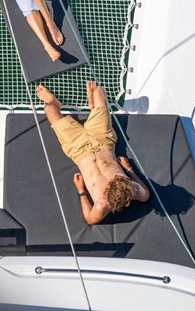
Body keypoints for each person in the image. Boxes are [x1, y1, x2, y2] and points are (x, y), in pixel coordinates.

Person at [37, 82, 150, 224]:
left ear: (106, 194)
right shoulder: (133, 189)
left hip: (78, 148)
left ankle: (55, 102)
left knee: (49, 108)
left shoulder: (102, 205)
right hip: (103, 140)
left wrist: (81, 190)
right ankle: (92, 106)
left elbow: (90, 219)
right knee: (98, 91)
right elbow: (146, 194)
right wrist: (128, 169)